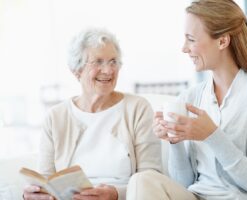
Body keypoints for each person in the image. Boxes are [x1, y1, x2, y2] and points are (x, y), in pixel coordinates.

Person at [126, 0, 247, 200]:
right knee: (142, 180)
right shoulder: (190, 98)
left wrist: (212, 135)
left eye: (191, 39)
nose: (184, 48)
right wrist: (175, 141)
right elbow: (183, 184)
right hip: (197, 196)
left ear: (222, 41)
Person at [23, 27, 162, 200]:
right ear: (77, 70)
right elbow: (45, 178)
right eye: (98, 62)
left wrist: (116, 194)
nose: (108, 70)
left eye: (113, 61)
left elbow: (151, 179)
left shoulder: (137, 108)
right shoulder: (55, 117)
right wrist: (35, 194)